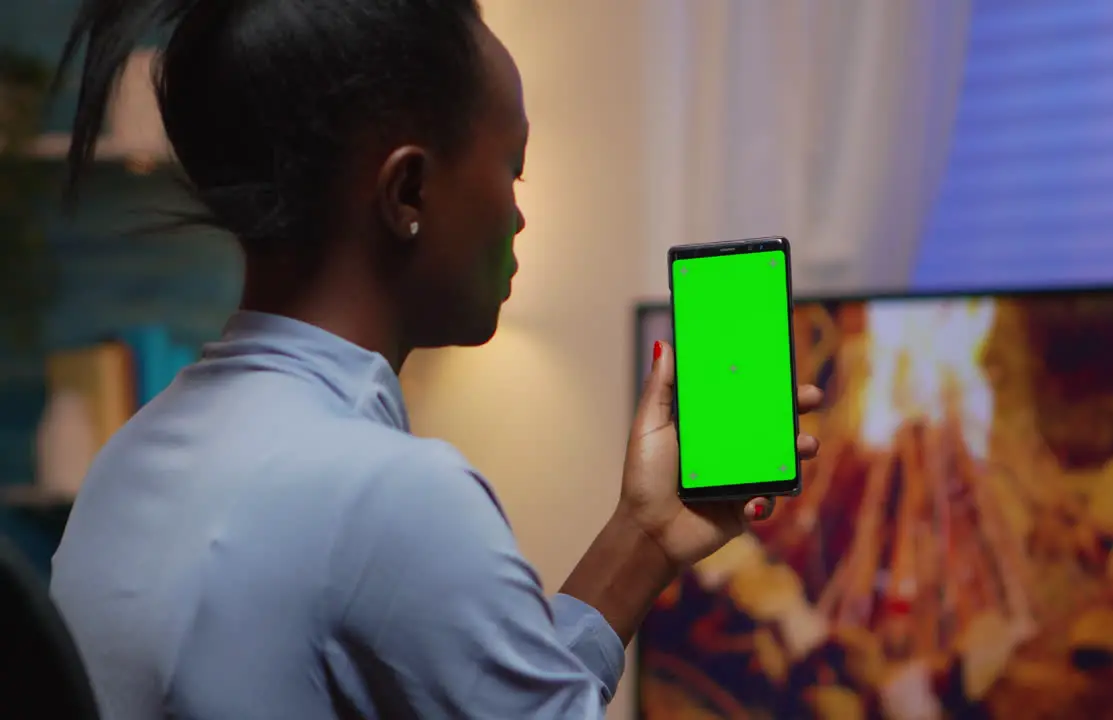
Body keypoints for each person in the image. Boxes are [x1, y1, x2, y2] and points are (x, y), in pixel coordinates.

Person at [47, 1, 823, 718]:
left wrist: (644, 539)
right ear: (408, 189)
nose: (518, 214)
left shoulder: (128, 462)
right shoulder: (389, 495)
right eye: (512, 167)